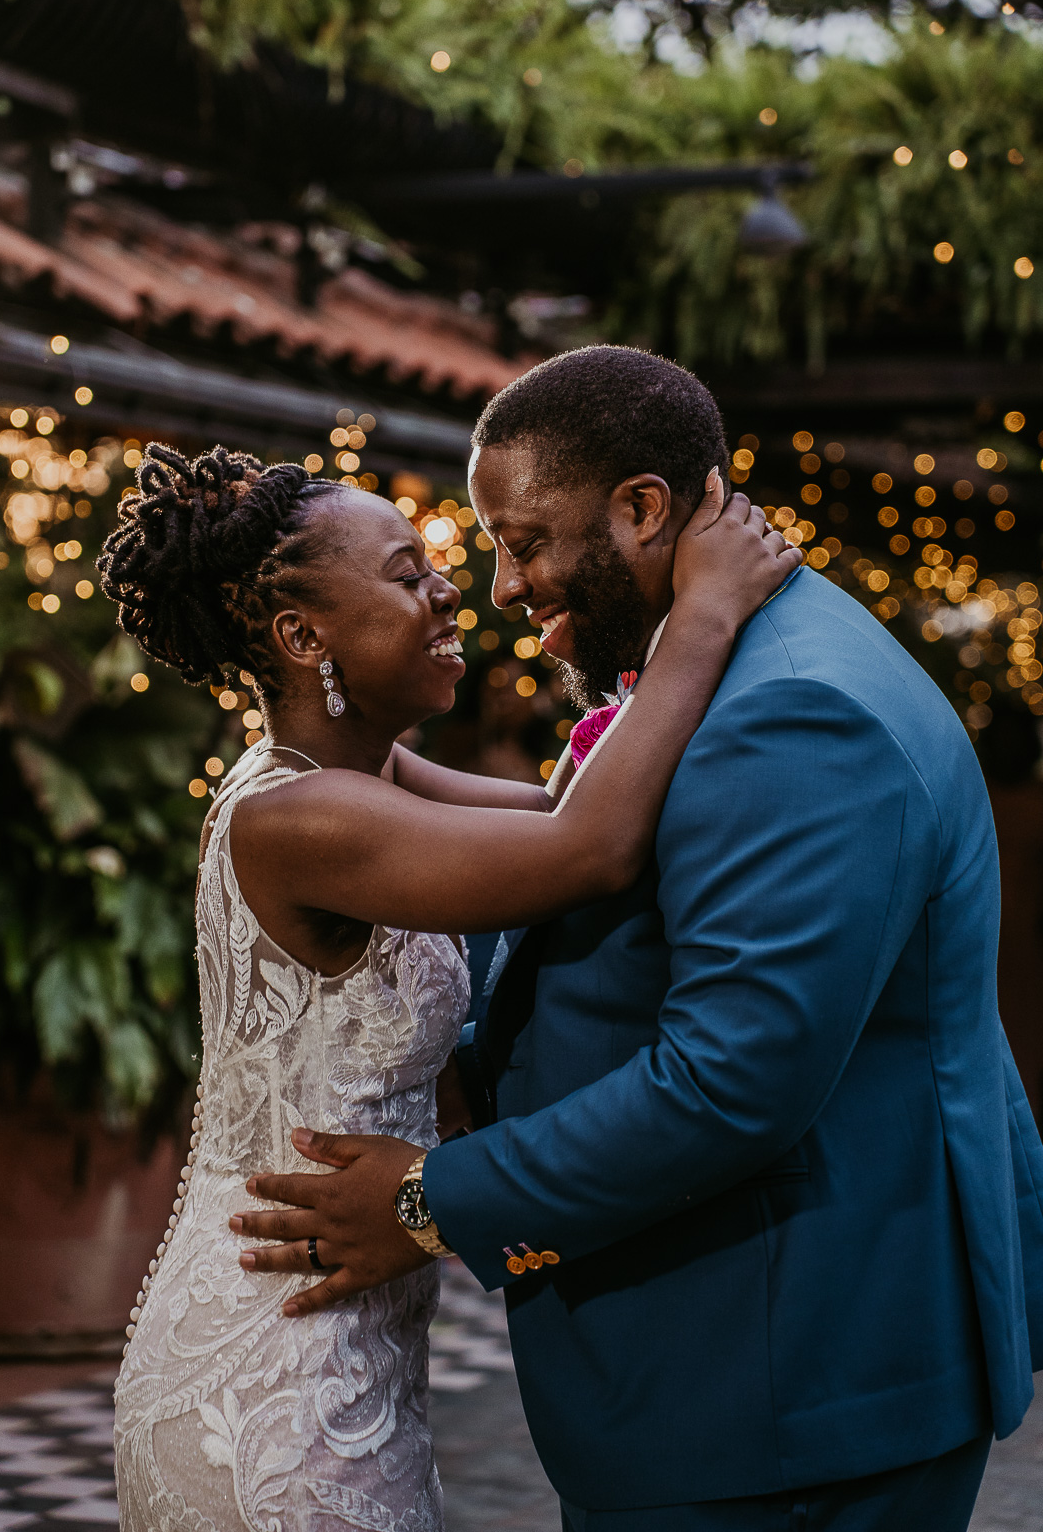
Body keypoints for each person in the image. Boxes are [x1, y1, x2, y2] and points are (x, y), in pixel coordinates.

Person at [232, 346, 1043, 1532]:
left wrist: (430, 1201)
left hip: (791, 1379)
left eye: (523, 540)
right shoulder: (714, 671)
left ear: (644, 509)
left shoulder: (790, 712)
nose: (503, 586)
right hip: (734, 1363)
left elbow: (731, 1081)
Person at [101, 438, 797, 1532]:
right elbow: (591, 848)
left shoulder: (363, 772)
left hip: (351, 1325)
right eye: (405, 573)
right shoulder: (301, 816)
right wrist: (702, 618)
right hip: (271, 1362)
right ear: (301, 635)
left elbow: (559, 804)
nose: (448, 594)